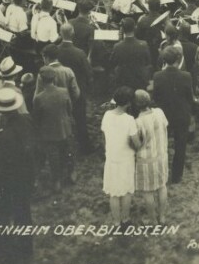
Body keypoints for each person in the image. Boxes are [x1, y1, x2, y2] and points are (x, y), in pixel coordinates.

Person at [0, 88, 36, 264]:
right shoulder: (27, 121)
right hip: (24, 177)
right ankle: (26, 247)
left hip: (4, 182)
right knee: (23, 212)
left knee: (2, 214)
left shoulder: (0, 136)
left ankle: (4, 249)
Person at [152, 46, 194, 184]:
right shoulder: (186, 76)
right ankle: (176, 176)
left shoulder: (157, 76)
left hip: (164, 116)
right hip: (181, 115)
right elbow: (189, 97)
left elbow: (156, 98)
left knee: (162, 145)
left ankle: (162, 172)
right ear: (178, 59)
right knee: (180, 146)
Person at [101, 86, 140, 225]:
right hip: (126, 159)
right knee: (126, 190)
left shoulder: (106, 116)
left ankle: (116, 222)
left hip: (111, 157)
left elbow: (104, 136)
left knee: (114, 192)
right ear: (129, 103)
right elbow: (136, 143)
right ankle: (125, 218)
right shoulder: (129, 120)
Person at [33, 66, 75, 191]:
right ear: (54, 78)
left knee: (53, 156)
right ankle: (71, 173)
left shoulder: (39, 98)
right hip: (65, 127)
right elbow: (69, 108)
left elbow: (36, 117)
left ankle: (56, 181)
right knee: (68, 150)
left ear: (41, 79)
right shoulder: (64, 91)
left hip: (48, 131)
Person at [134, 89, 169, 223]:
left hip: (146, 160)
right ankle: (162, 216)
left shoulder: (138, 122)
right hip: (161, 156)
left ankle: (153, 220)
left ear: (136, 104)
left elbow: (137, 142)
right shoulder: (159, 112)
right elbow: (165, 126)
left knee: (147, 191)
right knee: (162, 186)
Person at [57, 22, 93, 152]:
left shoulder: (56, 51)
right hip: (77, 89)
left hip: (60, 89)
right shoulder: (80, 53)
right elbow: (88, 72)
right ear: (72, 33)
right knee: (80, 119)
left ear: (60, 34)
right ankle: (85, 147)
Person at [109, 17, 151, 90]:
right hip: (139, 81)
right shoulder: (144, 44)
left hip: (122, 81)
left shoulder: (117, 46)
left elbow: (112, 63)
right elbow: (148, 62)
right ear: (134, 28)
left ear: (122, 29)